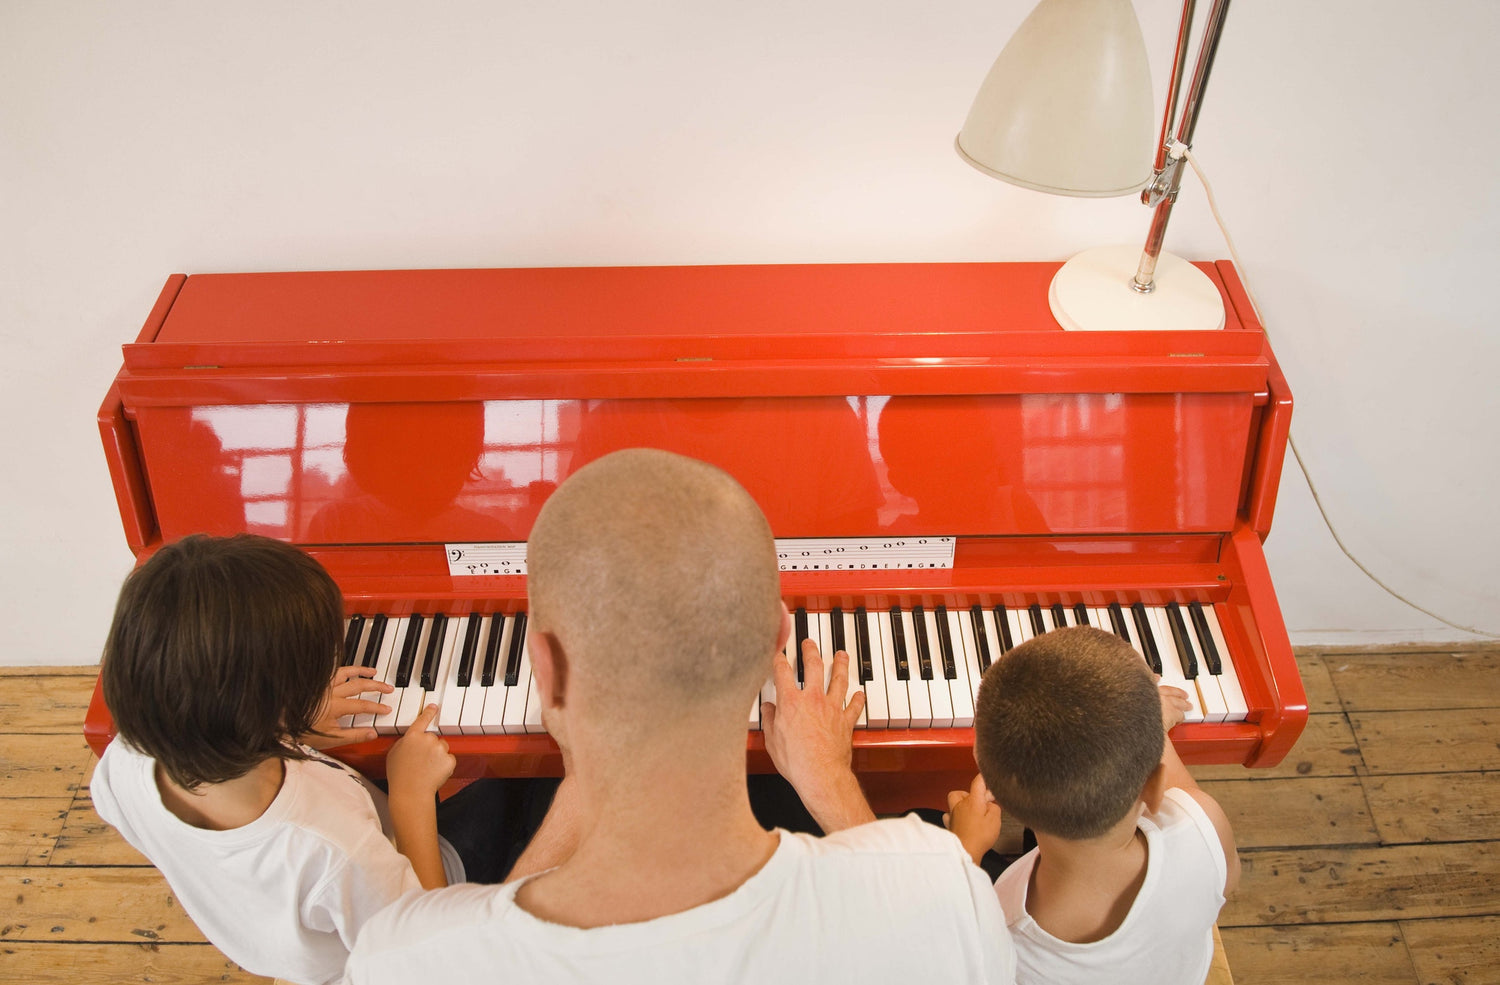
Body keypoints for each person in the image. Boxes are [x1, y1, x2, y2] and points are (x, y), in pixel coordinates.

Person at [343, 448, 1015, 984]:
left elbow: (483, 934)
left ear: (544, 671)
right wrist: (831, 782)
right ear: (777, 640)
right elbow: (918, 898)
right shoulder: (945, 892)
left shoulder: (403, 956)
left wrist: (584, 786)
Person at [92, 534, 462, 985]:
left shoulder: (122, 762)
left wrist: (280, 730)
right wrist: (410, 796)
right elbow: (428, 955)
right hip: (399, 925)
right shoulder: (336, 850)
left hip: (296, 936)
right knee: (526, 797)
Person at [946, 625, 1240, 985]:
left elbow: (947, 944)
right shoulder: (1202, 828)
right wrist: (1147, 724)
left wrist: (965, 850)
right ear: (1154, 788)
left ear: (1001, 800)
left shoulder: (1000, 929)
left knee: (925, 819)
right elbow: (1225, 879)